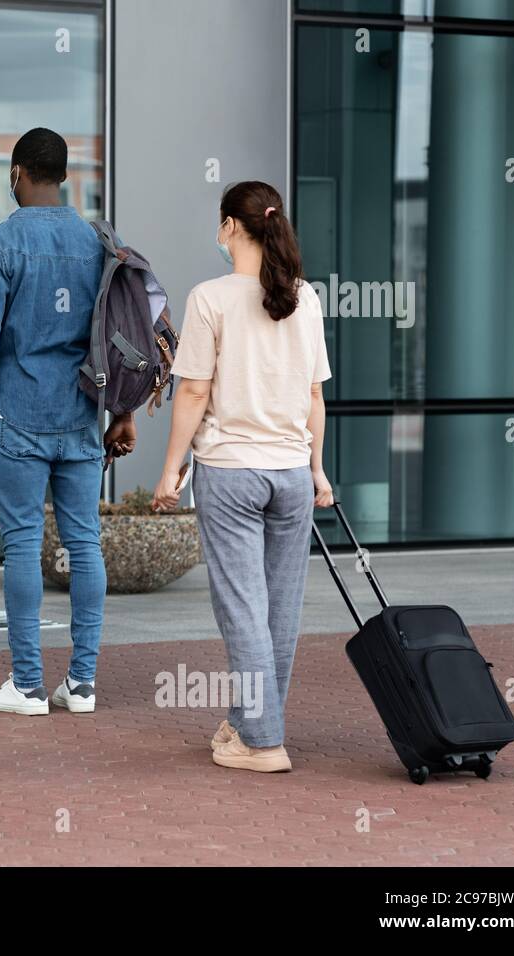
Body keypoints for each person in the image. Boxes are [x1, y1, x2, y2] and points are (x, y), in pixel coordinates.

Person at [152, 180, 334, 772]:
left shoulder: (210, 297)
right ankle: (254, 724)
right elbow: (313, 396)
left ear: (231, 225)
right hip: (290, 474)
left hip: (232, 471)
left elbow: (194, 391)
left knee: (243, 609)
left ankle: (262, 742)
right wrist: (317, 469)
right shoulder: (304, 298)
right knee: (279, 609)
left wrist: (170, 469)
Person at [0, 128, 137, 715]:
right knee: (84, 544)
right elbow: (121, 334)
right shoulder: (98, 242)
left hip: (19, 416)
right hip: (84, 415)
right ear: (61, 176)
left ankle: (28, 683)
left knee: (21, 546)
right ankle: (81, 684)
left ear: (17, 174)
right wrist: (124, 412)